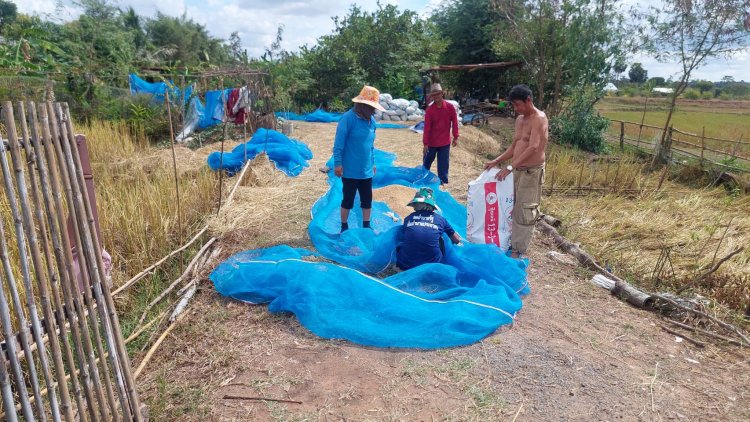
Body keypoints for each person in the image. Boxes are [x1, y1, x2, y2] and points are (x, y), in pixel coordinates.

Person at [484, 84, 548, 258]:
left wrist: (510, 167)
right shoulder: (520, 120)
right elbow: (515, 146)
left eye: (518, 104)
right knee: (509, 206)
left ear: (529, 100)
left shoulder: (539, 118)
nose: (516, 108)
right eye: (513, 105)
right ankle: (508, 241)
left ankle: (518, 249)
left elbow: (534, 147)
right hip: (516, 170)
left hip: (531, 172)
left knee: (524, 210)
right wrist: (497, 161)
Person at [333, 85, 386, 232]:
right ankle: (344, 227)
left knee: (367, 199)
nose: (373, 111)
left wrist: (373, 162)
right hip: (350, 170)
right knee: (348, 200)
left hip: (366, 170)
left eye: (374, 108)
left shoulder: (371, 121)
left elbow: (370, 146)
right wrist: (338, 163)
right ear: (361, 105)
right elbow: (339, 143)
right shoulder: (348, 119)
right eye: (370, 108)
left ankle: (366, 226)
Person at [397, 187, 462, 270]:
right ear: (432, 206)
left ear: (415, 205)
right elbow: (456, 239)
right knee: (442, 237)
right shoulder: (440, 220)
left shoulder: (408, 219)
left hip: (406, 265)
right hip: (433, 266)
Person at [422, 83, 459, 185]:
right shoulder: (430, 110)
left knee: (443, 165)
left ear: (442, 94)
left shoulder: (450, 107)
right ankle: (423, 179)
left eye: (438, 94)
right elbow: (427, 128)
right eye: (434, 95)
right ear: (431, 97)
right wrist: (425, 143)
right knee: (426, 163)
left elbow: (455, 122)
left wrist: (456, 136)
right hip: (431, 143)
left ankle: (442, 183)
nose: (436, 97)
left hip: (444, 142)